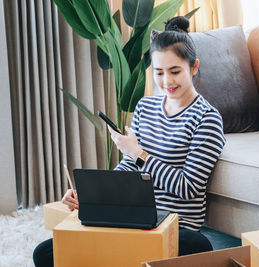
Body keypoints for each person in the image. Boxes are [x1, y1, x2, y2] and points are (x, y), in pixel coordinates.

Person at [33, 16, 225, 267]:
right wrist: (93, 197)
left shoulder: (207, 118)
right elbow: (128, 168)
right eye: (159, 72)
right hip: (131, 218)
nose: (167, 81)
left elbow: (188, 187)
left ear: (194, 67)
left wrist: (140, 154)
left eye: (175, 71)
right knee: (45, 253)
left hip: (173, 226)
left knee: (199, 248)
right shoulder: (145, 107)